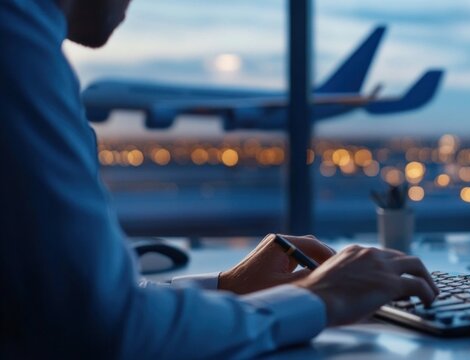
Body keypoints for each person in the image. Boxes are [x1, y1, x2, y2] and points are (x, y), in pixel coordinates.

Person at [0, 0, 438, 358]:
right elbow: (105, 329)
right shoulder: (19, 48)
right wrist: (321, 297)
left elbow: (66, 304)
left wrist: (224, 285)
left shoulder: (28, 46)